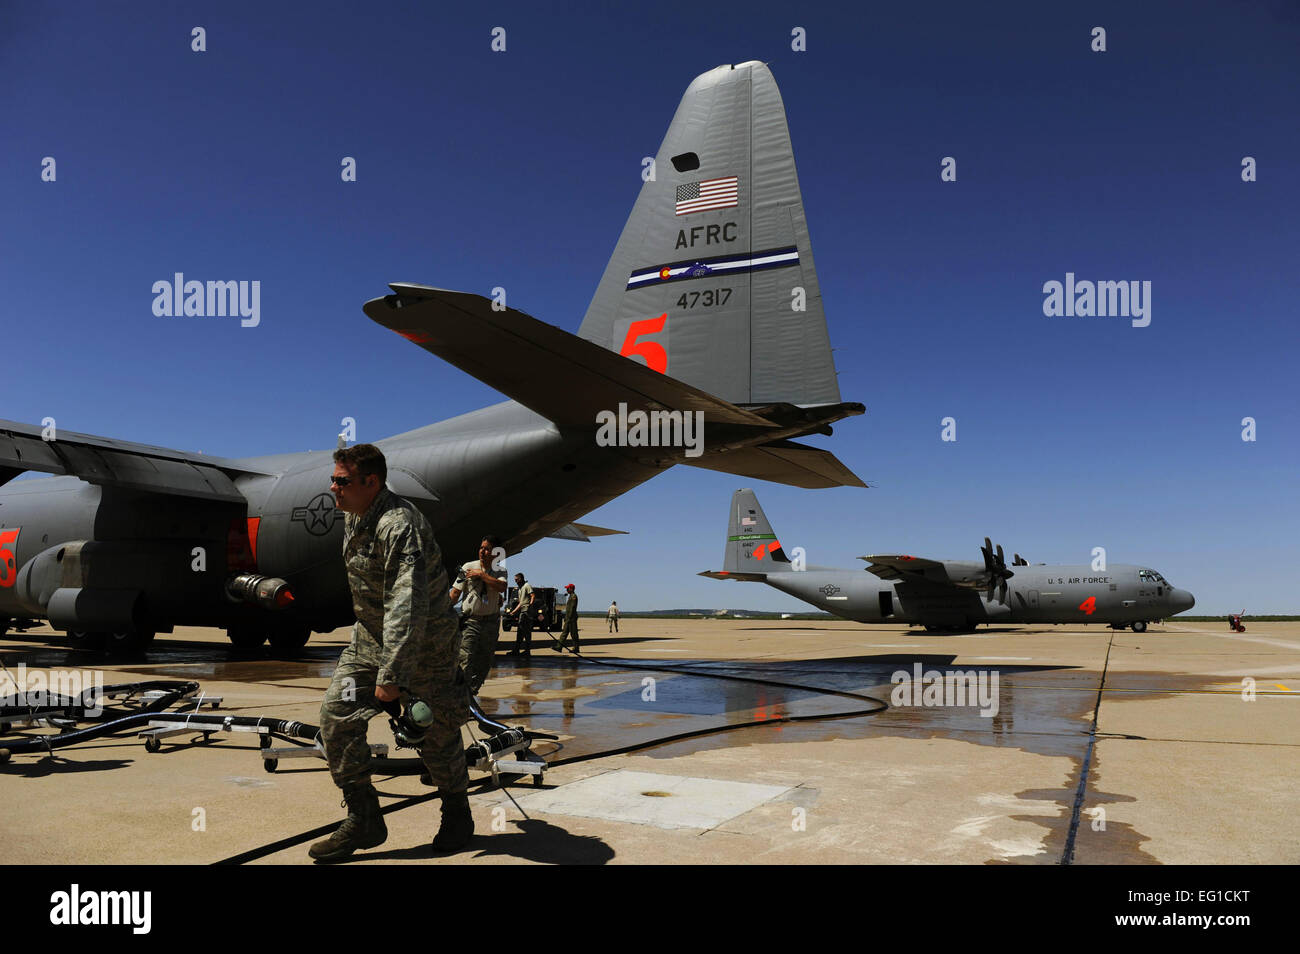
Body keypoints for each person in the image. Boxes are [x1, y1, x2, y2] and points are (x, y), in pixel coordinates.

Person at [311, 443, 473, 862]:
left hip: (424, 648)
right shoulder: (355, 517)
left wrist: (392, 677)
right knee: (336, 715)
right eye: (333, 479)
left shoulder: (400, 524)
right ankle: (365, 817)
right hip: (369, 639)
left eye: (342, 481)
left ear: (372, 482)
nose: (333, 487)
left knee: (434, 734)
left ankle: (457, 811)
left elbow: (408, 602)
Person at [450, 534, 508, 694]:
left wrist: (482, 575)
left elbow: (502, 587)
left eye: (487, 549)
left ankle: (470, 695)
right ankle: (461, 698)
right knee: (465, 660)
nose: (482, 551)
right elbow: (455, 593)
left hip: (490, 623)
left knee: (484, 661)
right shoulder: (467, 566)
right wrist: (441, 609)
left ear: (495, 553)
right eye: (481, 548)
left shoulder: (499, 570)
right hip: (471, 622)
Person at [508, 571, 536, 658]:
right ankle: (517, 650)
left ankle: (527, 651)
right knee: (520, 631)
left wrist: (530, 606)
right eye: (515, 580)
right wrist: (513, 612)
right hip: (522, 611)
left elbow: (533, 596)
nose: (515, 581)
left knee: (526, 631)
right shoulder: (520, 589)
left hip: (526, 612)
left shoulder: (527, 586)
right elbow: (521, 603)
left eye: (517, 579)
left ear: (521, 579)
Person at [555, 583, 580, 653]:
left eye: (568, 588)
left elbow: (572, 608)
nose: (566, 589)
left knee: (574, 634)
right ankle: (559, 647)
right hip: (568, 618)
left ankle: (576, 648)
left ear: (571, 589)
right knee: (564, 633)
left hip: (571, 619)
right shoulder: (570, 596)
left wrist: (569, 618)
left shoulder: (574, 597)